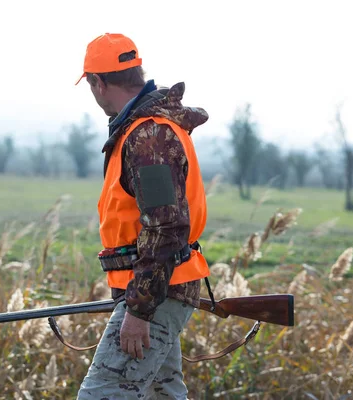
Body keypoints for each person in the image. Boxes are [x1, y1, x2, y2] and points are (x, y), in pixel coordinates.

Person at [75, 33, 211, 399]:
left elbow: (166, 227)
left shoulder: (148, 137)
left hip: (156, 291)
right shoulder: (144, 130)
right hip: (157, 287)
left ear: (98, 82)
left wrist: (139, 310)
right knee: (161, 394)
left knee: (102, 395)